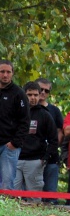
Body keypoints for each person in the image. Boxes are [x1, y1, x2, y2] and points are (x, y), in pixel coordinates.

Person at [14, 82, 58, 202]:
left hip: (35, 160)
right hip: (15, 158)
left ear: (39, 96)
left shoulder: (45, 115)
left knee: (34, 198)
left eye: (35, 95)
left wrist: (45, 158)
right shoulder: (15, 112)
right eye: (29, 95)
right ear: (24, 95)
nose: (32, 98)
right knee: (11, 196)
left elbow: (54, 139)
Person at [0, 60, 29, 190]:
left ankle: (6, 210)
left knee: (7, 183)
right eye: (2, 72)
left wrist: (15, 143)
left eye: (8, 72)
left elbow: (25, 121)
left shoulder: (19, 94)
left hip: (9, 146)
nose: (5, 75)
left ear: (12, 74)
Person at [36, 77, 64, 203]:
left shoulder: (54, 110)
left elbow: (60, 132)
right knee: (31, 194)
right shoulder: (25, 108)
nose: (42, 92)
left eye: (46, 91)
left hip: (51, 157)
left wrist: (51, 148)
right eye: (40, 89)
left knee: (50, 193)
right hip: (30, 157)